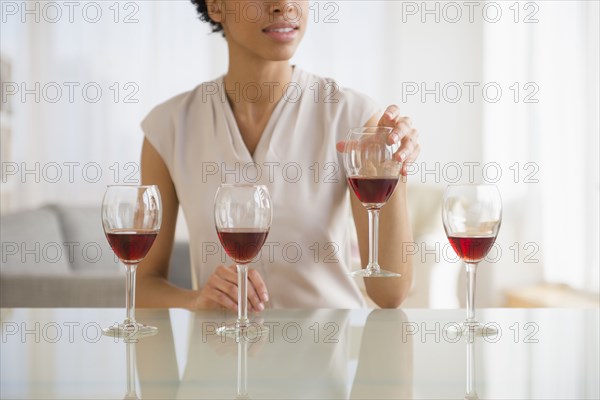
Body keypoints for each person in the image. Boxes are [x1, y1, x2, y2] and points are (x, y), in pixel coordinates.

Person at [137, 0, 420, 311]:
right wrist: (196, 300)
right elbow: (143, 285)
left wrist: (395, 169)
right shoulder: (169, 127)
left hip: (323, 355)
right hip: (222, 355)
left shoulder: (351, 117)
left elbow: (389, 293)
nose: (284, 5)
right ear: (215, 6)